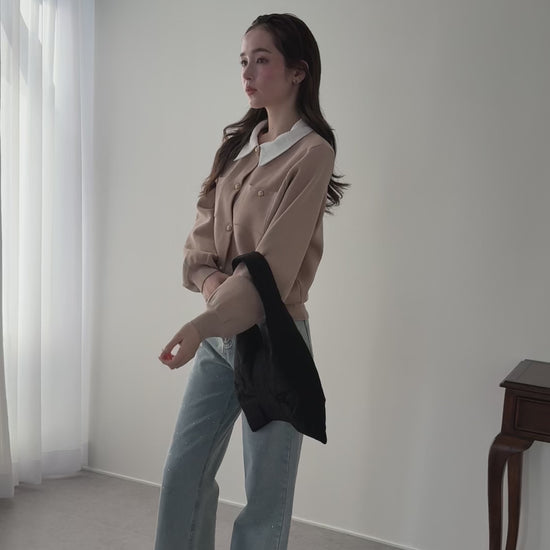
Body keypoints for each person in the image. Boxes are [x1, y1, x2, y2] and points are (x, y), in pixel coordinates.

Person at [154, 13, 347, 550]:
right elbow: (198, 246)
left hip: (274, 338)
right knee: (183, 473)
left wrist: (203, 322)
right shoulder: (238, 149)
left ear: (297, 71)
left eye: (262, 60)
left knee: (265, 497)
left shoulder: (313, 154)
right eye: (243, 61)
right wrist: (211, 293)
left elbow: (270, 269)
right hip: (219, 338)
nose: (247, 72)